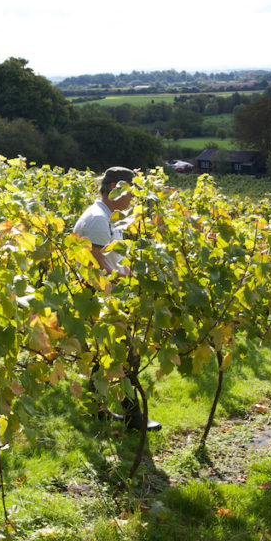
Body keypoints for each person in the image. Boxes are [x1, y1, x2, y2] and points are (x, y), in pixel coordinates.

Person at [72, 166, 160, 431]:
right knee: (125, 358)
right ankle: (134, 418)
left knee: (105, 358)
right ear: (114, 188)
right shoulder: (99, 219)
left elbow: (111, 260)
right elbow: (96, 267)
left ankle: (97, 410)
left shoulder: (107, 216)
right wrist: (127, 280)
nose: (132, 199)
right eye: (130, 193)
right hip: (103, 300)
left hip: (107, 299)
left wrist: (132, 273)